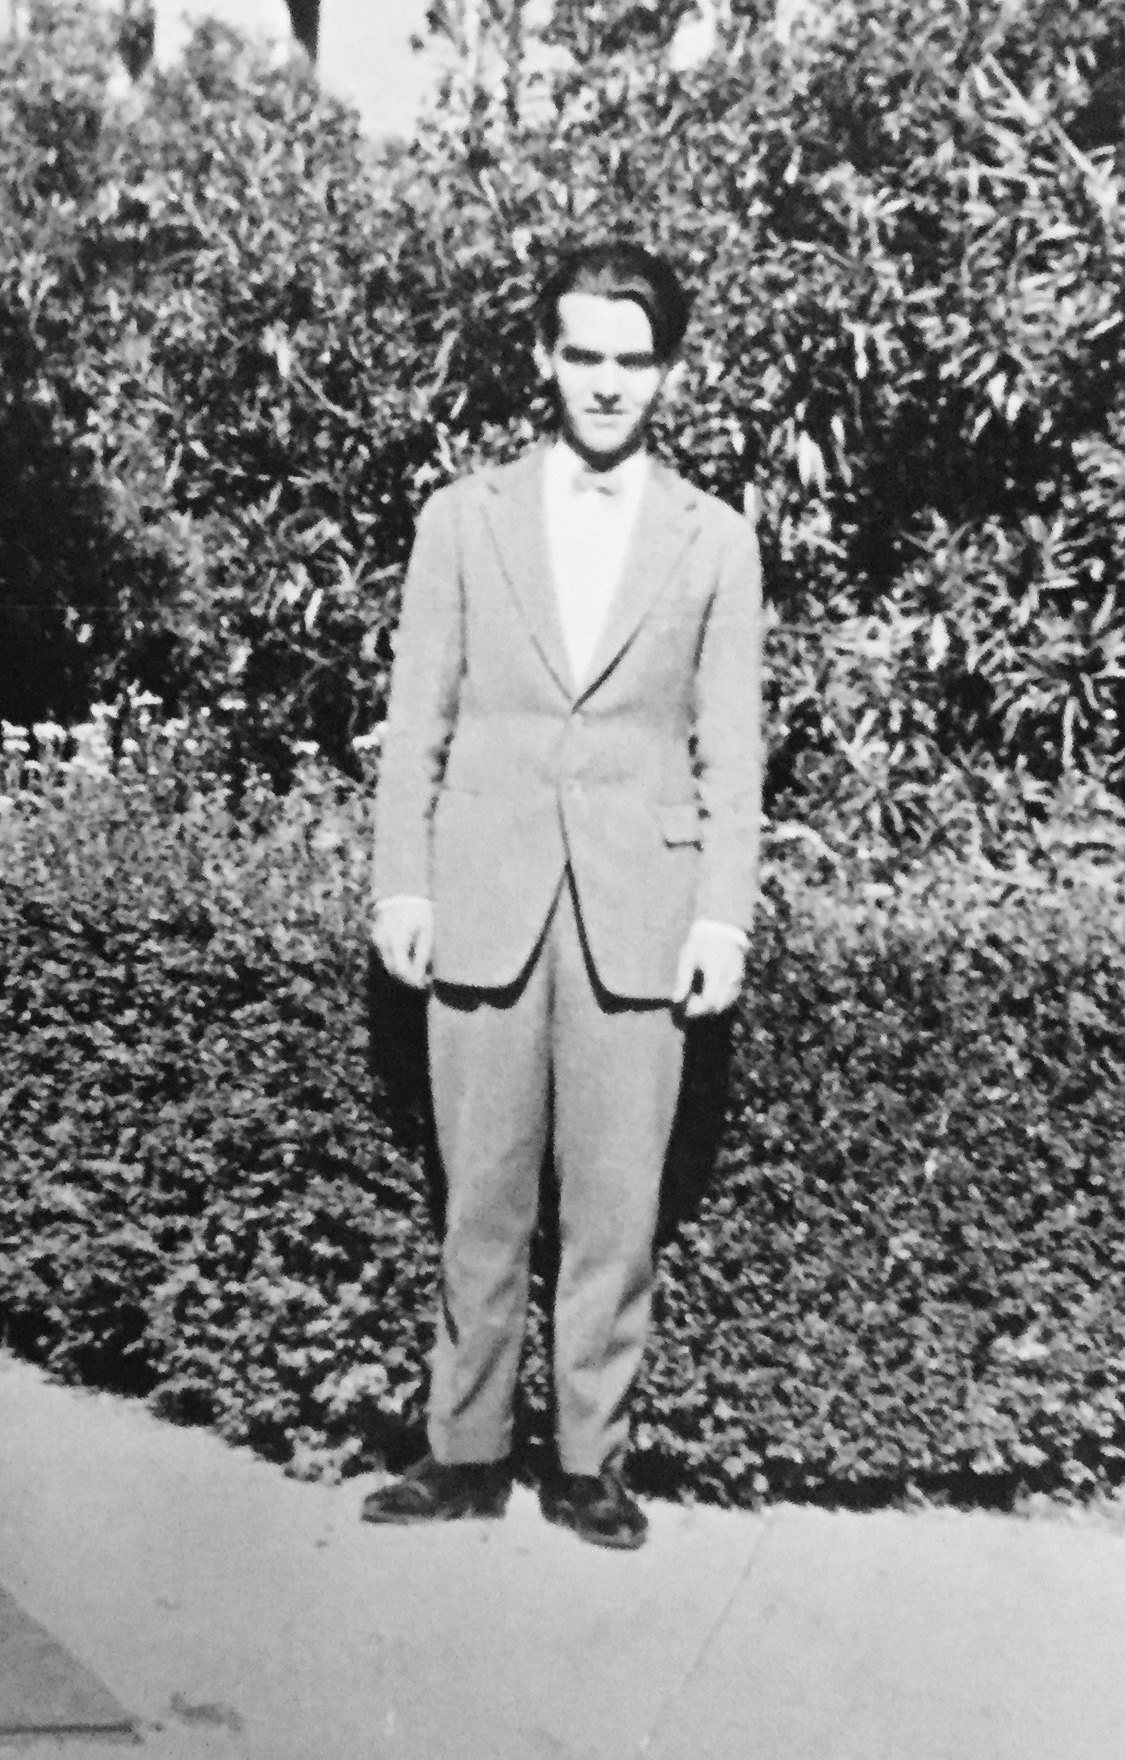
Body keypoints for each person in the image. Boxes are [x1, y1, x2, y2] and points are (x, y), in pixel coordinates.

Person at [361, 240, 763, 1550]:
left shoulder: (716, 540)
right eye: (582, 353)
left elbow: (732, 746)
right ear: (544, 357)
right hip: (485, 895)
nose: (605, 382)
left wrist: (720, 915)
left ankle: (590, 1462)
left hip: (638, 911)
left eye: (631, 360)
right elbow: (415, 722)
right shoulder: (461, 518)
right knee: (478, 1196)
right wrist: (403, 883)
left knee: (614, 1209)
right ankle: (464, 1452)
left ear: (668, 371)